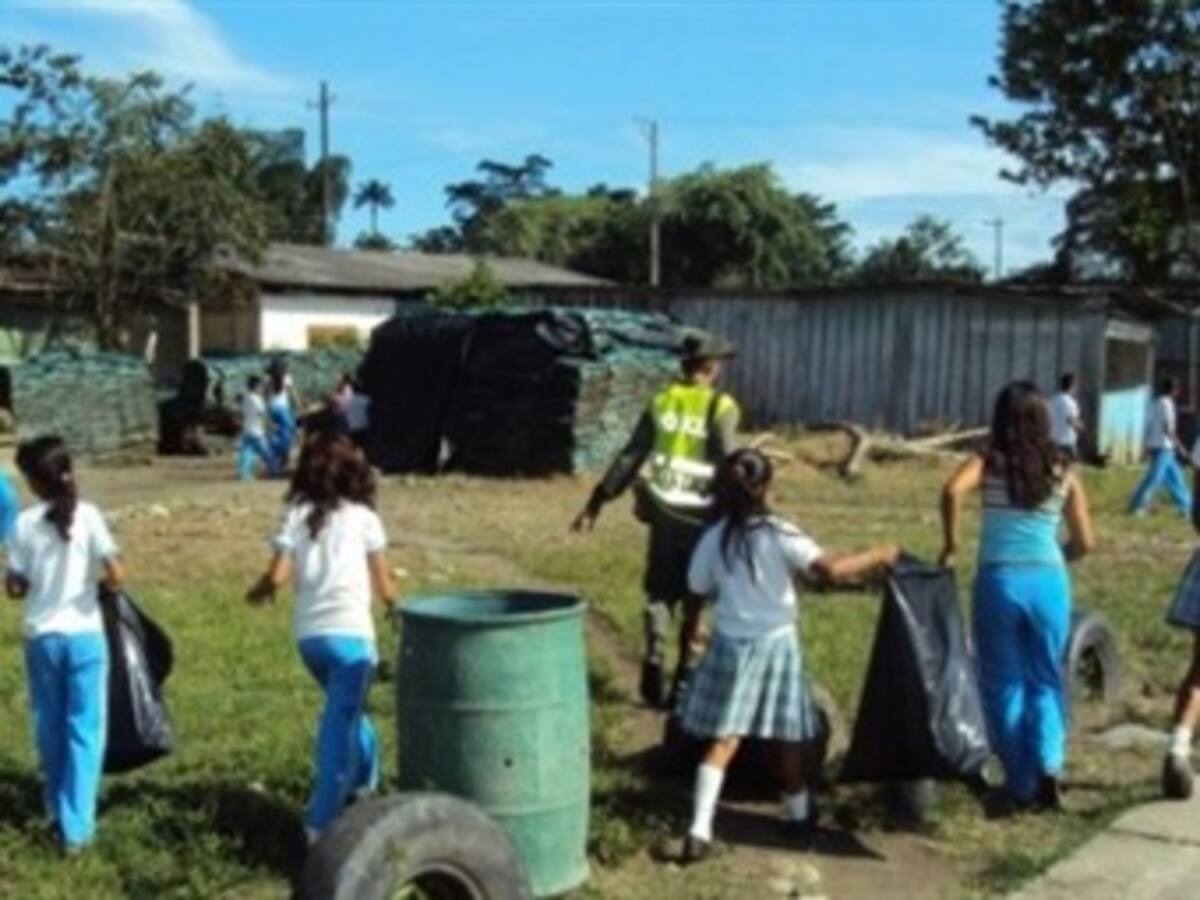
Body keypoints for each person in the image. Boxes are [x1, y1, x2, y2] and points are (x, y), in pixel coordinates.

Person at [675, 448, 899, 862]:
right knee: (787, 738)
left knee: (724, 740)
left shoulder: (713, 538)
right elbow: (828, 570)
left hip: (730, 645)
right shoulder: (779, 533)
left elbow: (694, 596)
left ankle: (699, 829)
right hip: (776, 646)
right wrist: (879, 555)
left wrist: (688, 639)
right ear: (766, 487)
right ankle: (799, 817)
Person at [940, 382, 1094, 811]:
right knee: (1046, 677)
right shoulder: (1064, 468)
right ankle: (1049, 765)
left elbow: (951, 491)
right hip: (1049, 582)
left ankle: (1020, 782)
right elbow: (1086, 541)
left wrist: (951, 546)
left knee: (1003, 683)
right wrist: (1057, 558)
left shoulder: (989, 461)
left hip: (999, 581)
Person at [572, 334, 741, 709]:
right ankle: (685, 677)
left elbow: (631, 456)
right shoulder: (721, 406)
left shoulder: (661, 401)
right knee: (697, 599)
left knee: (660, 592)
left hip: (664, 515)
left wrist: (596, 502)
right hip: (703, 519)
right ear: (711, 368)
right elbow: (730, 463)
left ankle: (654, 655)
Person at [246, 431, 396, 844]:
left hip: (311, 640)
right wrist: (396, 608)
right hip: (352, 638)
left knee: (350, 712)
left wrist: (259, 591)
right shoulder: (365, 518)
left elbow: (277, 575)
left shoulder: (296, 512)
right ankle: (320, 822)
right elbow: (384, 583)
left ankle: (366, 783)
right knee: (340, 726)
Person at [5, 436, 124, 852]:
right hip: (85, 634)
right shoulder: (89, 516)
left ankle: (55, 807)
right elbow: (116, 574)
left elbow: (16, 586)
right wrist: (93, 586)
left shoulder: (22, 524)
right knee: (85, 731)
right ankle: (78, 827)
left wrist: (22, 582)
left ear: (34, 482)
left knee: (49, 728)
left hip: (42, 636)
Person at [1129, 376, 1191, 517]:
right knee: (1154, 478)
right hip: (1164, 446)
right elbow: (1167, 428)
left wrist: (1146, 445)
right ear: (1174, 390)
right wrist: (1180, 446)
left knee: (1175, 479)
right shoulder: (1167, 404)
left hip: (1158, 445)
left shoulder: (1155, 403)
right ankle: (1137, 505)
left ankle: (1186, 506)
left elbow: (1149, 426)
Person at [237, 376, 273, 481]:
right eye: (261, 386)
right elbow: (262, 413)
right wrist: (270, 425)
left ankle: (244, 474)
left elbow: (242, 412)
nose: (262, 388)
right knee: (266, 452)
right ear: (257, 386)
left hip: (247, 429)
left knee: (247, 452)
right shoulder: (257, 399)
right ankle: (274, 470)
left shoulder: (246, 397)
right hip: (257, 431)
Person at [266, 366, 298, 475]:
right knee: (289, 434)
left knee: (274, 437)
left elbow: (265, 395)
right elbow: (293, 394)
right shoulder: (287, 378)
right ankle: (284, 460)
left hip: (271, 409)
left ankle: (274, 466)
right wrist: (298, 404)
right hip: (283, 409)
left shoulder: (267, 379)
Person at [1049, 373, 1085, 461]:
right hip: (1066, 441)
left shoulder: (1053, 400)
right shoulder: (1070, 403)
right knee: (1071, 467)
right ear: (1072, 386)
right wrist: (1081, 427)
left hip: (1054, 439)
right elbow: (1071, 420)